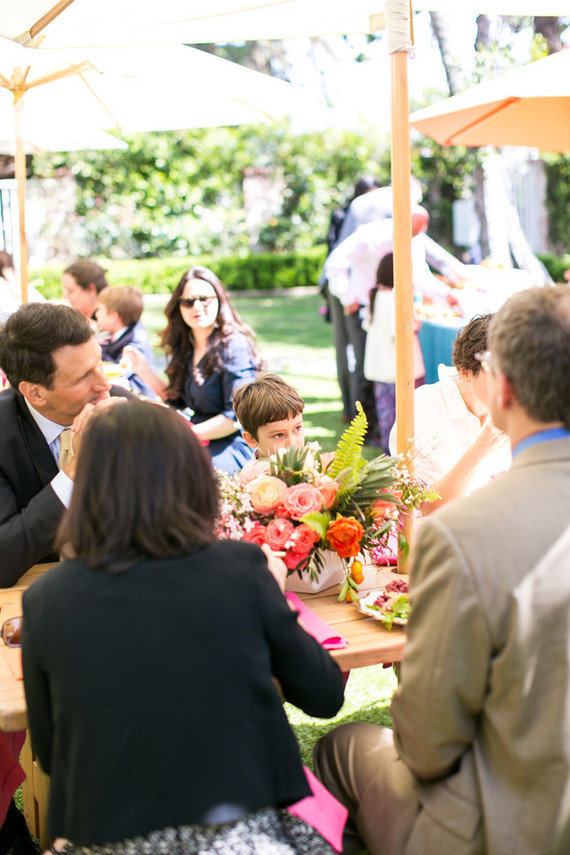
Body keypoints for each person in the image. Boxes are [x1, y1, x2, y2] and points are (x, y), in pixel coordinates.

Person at [21, 399, 345, 855]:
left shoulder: (46, 602)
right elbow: (325, 696)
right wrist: (275, 596)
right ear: (188, 473)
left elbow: (53, 753)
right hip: (242, 835)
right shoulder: (241, 570)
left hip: (111, 837)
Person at [313, 285, 570, 855]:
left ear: (503, 388)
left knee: (342, 746)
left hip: (507, 827)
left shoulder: (465, 537)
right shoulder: (433, 414)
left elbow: (428, 747)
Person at [0, 302, 132, 587]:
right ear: (35, 393)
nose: (103, 384)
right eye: (83, 375)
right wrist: (76, 470)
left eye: (99, 362)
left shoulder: (125, 409)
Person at [325, 206, 455, 444]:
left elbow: (420, 276)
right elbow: (335, 263)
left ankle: (390, 430)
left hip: (393, 307)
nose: (418, 236)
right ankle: (366, 430)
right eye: (416, 231)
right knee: (368, 370)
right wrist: (346, 295)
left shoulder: (414, 241)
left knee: (387, 374)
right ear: (403, 223)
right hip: (368, 307)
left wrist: (446, 295)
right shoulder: (369, 236)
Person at [126, 265, 262, 474]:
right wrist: (143, 369)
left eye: (205, 299)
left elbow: (235, 417)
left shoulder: (234, 346)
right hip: (197, 436)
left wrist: (181, 435)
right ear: (179, 308)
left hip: (230, 443)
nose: (197, 307)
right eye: (189, 301)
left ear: (219, 300)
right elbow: (179, 400)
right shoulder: (186, 345)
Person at [389, 313, 511, 514]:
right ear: (465, 373)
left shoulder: (516, 406)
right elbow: (427, 506)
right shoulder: (422, 409)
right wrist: (481, 448)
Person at [363, 253, 425, 455]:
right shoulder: (395, 300)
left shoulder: (376, 296)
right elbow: (399, 333)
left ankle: (389, 453)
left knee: (386, 416)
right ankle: (399, 455)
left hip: (380, 368)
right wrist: (414, 325)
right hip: (397, 369)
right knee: (403, 417)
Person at [95, 285, 157, 398]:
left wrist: (99, 352)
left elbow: (121, 370)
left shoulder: (135, 339)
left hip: (137, 396)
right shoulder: (112, 333)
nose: (96, 314)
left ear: (114, 317)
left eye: (100, 310)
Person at [232, 372, 305, 459]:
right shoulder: (260, 472)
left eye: (297, 428)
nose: (292, 443)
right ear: (251, 439)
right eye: (279, 435)